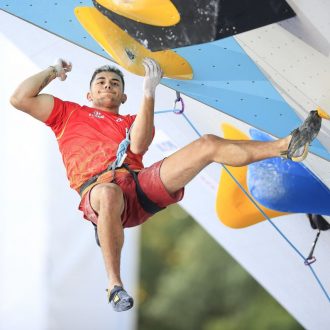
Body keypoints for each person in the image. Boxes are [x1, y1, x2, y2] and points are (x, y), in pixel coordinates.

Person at [10, 58, 322, 312]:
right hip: (100, 192)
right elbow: (20, 98)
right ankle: (114, 284)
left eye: (115, 84)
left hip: (137, 184)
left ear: (123, 96)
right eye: (101, 83)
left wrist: (149, 91)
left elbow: (140, 144)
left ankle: (285, 146)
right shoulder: (67, 114)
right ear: (89, 94)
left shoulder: (131, 118)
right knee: (107, 193)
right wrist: (54, 71)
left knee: (207, 144)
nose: (108, 85)